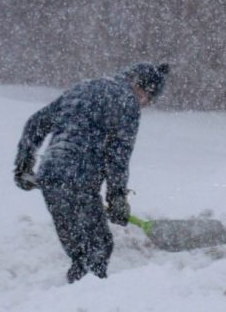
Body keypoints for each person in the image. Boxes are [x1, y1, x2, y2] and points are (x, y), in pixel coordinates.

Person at [13, 62, 170, 283]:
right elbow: (118, 156)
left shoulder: (83, 88)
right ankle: (85, 300)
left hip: (50, 174)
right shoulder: (127, 102)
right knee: (98, 247)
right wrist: (116, 198)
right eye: (149, 99)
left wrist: (23, 165)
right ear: (141, 87)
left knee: (80, 251)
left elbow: (35, 123)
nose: (145, 104)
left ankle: (74, 296)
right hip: (80, 176)